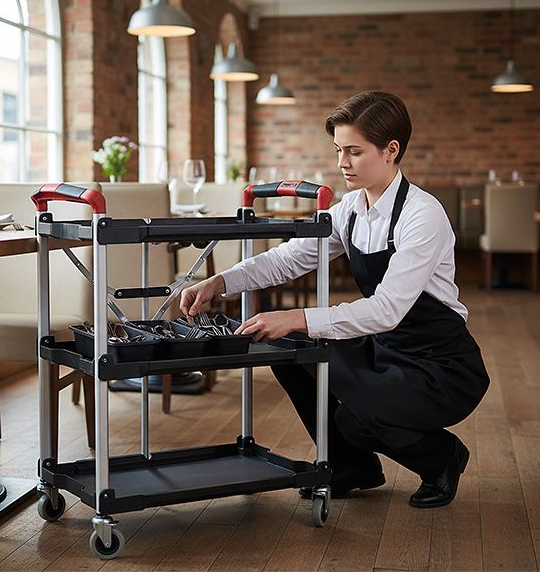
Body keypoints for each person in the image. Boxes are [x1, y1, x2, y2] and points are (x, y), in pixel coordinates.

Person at [180, 91, 489, 508]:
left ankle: (443, 458)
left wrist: (297, 315)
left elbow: (387, 309)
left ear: (391, 150)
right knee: (288, 348)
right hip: (386, 349)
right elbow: (289, 258)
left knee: (355, 419)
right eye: (338, 150)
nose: (342, 162)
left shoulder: (422, 215)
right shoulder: (349, 209)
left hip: (439, 365)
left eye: (354, 152)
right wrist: (220, 281)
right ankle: (351, 467)